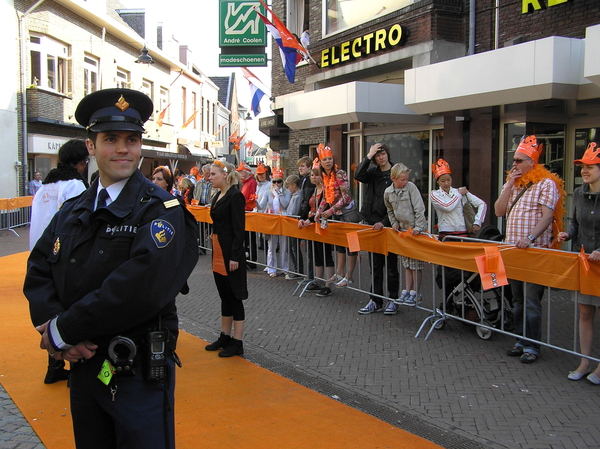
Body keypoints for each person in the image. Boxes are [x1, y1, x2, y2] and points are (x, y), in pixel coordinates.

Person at [23, 88, 199, 448]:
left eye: (132, 140)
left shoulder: (160, 209)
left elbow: (138, 288)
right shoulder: (73, 210)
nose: (123, 149)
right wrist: (57, 328)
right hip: (85, 364)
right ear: (90, 146)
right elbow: (39, 269)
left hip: (135, 374)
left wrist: (63, 331)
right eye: (111, 139)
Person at [494, 135, 564, 364]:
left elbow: (547, 216)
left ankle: (532, 346)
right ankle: (519, 340)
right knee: (518, 300)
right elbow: (498, 211)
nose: (514, 164)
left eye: (519, 160)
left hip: (534, 252)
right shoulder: (513, 183)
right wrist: (508, 187)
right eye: (513, 160)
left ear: (532, 163)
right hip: (513, 252)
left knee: (532, 301)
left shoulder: (546, 184)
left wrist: (530, 237)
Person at [29, 139, 90, 384]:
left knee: (50, 308)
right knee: (69, 308)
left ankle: (53, 363)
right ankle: (75, 360)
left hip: (42, 253)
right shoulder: (74, 185)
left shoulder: (45, 186)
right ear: (81, 162)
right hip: (65, 255)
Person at [557, 142, 600, 382]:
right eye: (582, 167)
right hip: (585, 262)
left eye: (590, 166)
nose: (584, 170)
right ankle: (584, 362)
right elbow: (575, 222)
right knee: (585, 312)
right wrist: (568, 234)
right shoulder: (580, 193)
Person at [204, 160, 248, 357]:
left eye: (213, 174)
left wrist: (236, 256)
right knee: (224, 295)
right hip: (218, 250)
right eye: (210, 174)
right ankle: (225, 335)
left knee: (234, 296)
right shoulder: (218, 195)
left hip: (230, 253)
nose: (210, 177)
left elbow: (239, 229)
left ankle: (237, 341)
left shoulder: (235, 196)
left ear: (224, 175)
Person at [355, 143, 399, 315]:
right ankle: (375, 299)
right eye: (377, 155)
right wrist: (368, 156)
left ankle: (393, 300)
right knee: (375, 266)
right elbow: (358, 175)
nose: (381, 157)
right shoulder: (372, 173)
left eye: (382, 154)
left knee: (391, 267)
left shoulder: (395, 173)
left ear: (388, 154)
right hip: (373, 223)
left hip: (389, 225)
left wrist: (385, 221)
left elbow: (397, 203)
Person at [314, 144, 359, 291]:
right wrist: (319, 212)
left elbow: (346, 197)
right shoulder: (324, 176)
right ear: (320, 162)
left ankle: (349, 275)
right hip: (338, 214)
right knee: (340, 244)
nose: (328, 161)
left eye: (330, 158)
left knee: (352, 245)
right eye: (325, 159)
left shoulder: (340, 174)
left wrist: (330, 211)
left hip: (349, 213)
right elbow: (326, 197)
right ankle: (340, 273)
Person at [384, 163, 428, 307]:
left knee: (416, 264)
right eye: (402, 179)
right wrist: (394, 223)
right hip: (403, 232)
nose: (405, 182)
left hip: (415, 231)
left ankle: (416, 292)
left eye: (406, 179)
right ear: (393, 179)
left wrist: (419, 227)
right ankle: (407, 290)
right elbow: (390, 210)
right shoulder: (388, 192)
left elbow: (419, 208)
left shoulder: (411, 188)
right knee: (407, 264)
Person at [298, 167, 335, 296]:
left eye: (316, 175)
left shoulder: (326, 191)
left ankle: (328, 285)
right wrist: (302, 219)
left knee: (326, 254)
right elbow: (306, 207)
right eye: (312, 175)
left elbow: (325, 209)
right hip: (312, 225)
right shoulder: (312, 190)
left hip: (323, 225)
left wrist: (311, 219)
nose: (313, 177)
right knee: (317, 254)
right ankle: (318, 282)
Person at [430, 158, 487, 240]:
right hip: (446, 234)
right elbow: (447, 207)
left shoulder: (458, 191)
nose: (446, 183)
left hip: (463, 233)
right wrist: (459, 194)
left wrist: (478, 222)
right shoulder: (435, 194)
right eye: (443, 181)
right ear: (438, 182)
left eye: (449, 180)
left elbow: (482, 204)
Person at [260, 167, 290, 277]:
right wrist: (254, 202)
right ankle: (271, 268)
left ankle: (284, 268)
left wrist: (280, 194)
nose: (277, 183)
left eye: (279, 181)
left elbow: (285, 204)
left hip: (283, 220)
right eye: (274, 181)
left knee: (284, 247)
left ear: (282, 182)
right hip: (272, 221)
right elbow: (262, 205)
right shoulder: (268, 193)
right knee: (271, 246)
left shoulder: (286, 192)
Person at [237, 161, 258, 269]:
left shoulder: (251, 183)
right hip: (245, 212)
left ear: (245, 173)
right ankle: (247, 258)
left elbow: (253, 198)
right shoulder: (245, 183)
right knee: (246, 238)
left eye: (241, 172)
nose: (239, 174)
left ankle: (251, 260)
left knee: (250, 238)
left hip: (249, 213)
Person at [298, 156, 316, 281]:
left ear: (309, 167)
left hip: (310, 216)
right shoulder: (304, 180)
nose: (300, 168)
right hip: (307, 215)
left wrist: (302, 216)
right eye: (299, 166)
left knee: (311, 251)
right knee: (309, 250)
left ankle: (311, 277)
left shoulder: (309, 181)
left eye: (302, 166)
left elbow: (307, 200)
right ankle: (310, 276)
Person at [285, 174, 303, 280]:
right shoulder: (295, 196)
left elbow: (293, 212)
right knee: (291, 248)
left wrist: (285, 214)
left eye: (289, 186)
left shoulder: (297, 197)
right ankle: (297, 269)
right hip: (291, 225)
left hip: (293, 225)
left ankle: (298, 270)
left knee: (293, 248)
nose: (288, 189)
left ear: (294, 185)